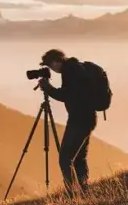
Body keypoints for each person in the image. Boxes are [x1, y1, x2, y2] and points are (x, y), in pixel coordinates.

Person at [39, 48, 96, 196]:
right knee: (79, 159)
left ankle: (72, 195)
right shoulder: (75, 68)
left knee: (65, 159)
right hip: (87, 118)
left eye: (51, 65)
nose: (52, 69)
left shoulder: (71, 71)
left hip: (79, 120)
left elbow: (67, 95)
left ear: (57, 61)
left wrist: (49, 89)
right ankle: (84, 193)